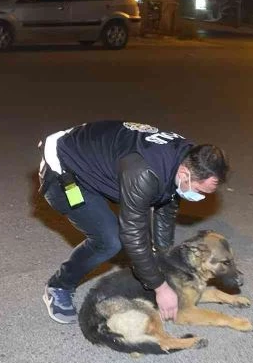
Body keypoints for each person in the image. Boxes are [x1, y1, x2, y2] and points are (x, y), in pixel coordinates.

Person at [38, 120, 229, 324]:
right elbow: (133, 236)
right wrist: (160, 287)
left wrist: (164, 267)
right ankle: (59, 286)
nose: (201, 197)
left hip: (96, 160)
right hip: (64, 172)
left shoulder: (188, 158)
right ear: (185, 174)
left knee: (132, 228)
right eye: (200, 191)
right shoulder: (144, 173)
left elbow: (167, 205)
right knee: (109, 240)